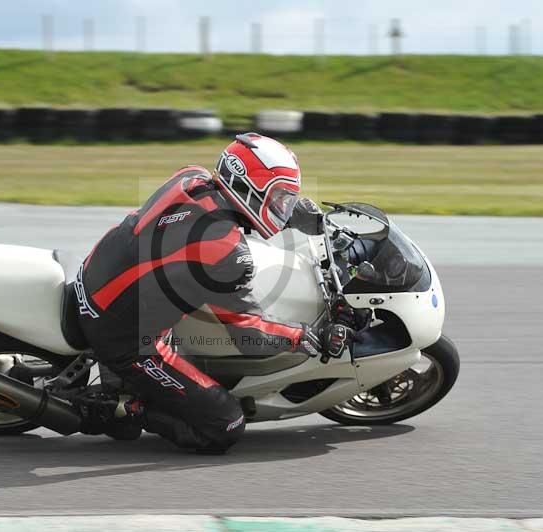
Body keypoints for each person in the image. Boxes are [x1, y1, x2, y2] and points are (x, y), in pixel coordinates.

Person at [76, 133, 354, 454]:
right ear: (248, 186)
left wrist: (303, 217)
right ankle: (121, 410)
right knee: (225, 425)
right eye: (280, 197)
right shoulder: (224, 249)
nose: (284, 206)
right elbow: (249, 335)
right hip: (125, 337)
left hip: (96, 278)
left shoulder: (192, 178)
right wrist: (305, 336)